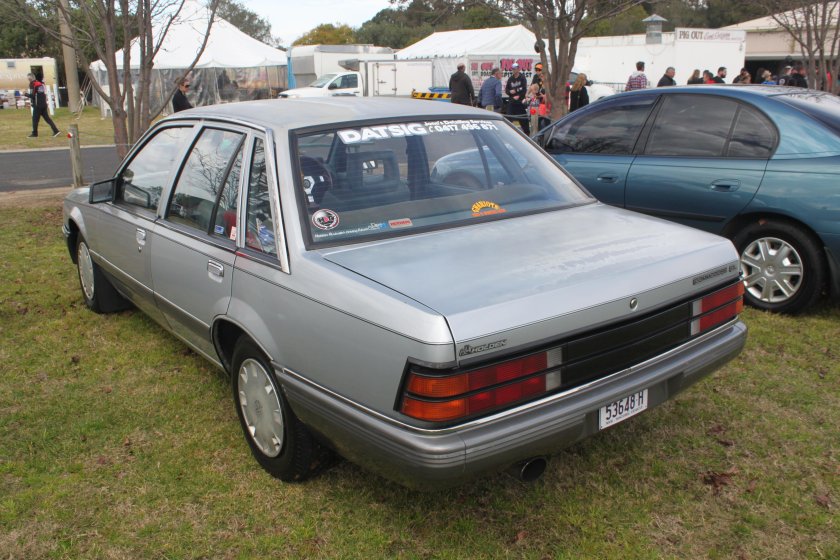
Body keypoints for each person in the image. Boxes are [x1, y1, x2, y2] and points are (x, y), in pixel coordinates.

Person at [25, 73, 60, 138]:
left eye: (28, 78)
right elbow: (41, 94)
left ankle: (34, 133)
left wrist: (26, 94)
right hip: (43, 104)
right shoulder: (40, 84)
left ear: (30, 78)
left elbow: (33, 96)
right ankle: (56, 130)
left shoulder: (33, 84)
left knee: (35, 120)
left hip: (37, 105)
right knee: (47, 119)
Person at [505, 62, 530, 134]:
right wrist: (510, 92)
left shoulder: (522, 77)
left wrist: (516, 92)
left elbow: (523, 88)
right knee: (508, 118)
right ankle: (507, 133)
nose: (514, 70)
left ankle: (527, 134)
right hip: (512, 102)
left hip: (520, 102)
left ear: (518, 69)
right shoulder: (510, 79)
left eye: (515, 69)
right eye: (513, 69)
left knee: (524, 120)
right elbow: (507, 90)